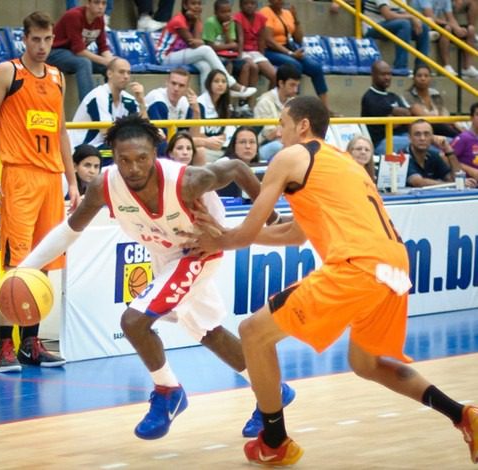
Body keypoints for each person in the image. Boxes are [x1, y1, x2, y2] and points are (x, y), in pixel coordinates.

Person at [184, 95, 478, 466]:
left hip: (360, 264)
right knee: (366, 364)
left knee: (253, 332)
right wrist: (230, 233)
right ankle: (463, 415)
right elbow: (293, 234)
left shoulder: (290, 157)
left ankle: (274, 441)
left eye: (283, 122)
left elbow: (246, 234)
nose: (278, 130)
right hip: (396, 266)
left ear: (302, 125)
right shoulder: (340, 161)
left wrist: (221, 238)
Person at [17, 114, 295, 441]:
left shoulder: (186, 180)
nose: (133, 168)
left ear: (155, 154)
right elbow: (69, 230)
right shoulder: (104, 185)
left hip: (200, 249)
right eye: (124, 160)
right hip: (164, 255)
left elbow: (236, 168)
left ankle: (168, 391)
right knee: (209, 332)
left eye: (142, 159)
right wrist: (26, 267)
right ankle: (273, 391)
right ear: (113, 157)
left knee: (134, 321)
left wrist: (273, 217)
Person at [0, 11, 77, 373]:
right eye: (36, 39)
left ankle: (31, 342)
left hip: (51, 179)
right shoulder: (8, 72)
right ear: (24, 39)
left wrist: (73, 181)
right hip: (18, 176)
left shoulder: (57, 76)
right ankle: (5, 344)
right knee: (15, 263)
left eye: (48, 40)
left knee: (44, 262)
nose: (42, 46)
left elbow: (62, 132)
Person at [155, 0, 257, 98]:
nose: (197, 6)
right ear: (185, 6)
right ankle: (231, 83)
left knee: (205, 66)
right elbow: (194, 44)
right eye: (193, 3)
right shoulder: (178, 20)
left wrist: (196, 20)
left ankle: (205, 103)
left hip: (182, 55)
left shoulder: (193, 20)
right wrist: (201, 42)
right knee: (206, 50)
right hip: (165, 57)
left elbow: (197, 40)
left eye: (199, 3)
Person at [259, 0, 332, 112]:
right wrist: (290, 54)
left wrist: (296, 19)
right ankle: (294, 106)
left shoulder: (287, 13)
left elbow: (298, 39)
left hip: (288, 48)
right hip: (270, 50)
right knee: (294, 65)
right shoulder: (265, 12)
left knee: (315, 67)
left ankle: (326, 108)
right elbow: (269, 40)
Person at [70, 57, 147, 161]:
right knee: (121, 152)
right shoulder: (98, 96)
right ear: (109, 74)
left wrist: (141, 102)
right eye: (121, 72)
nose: (126, 76)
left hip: (106, 146)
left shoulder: (129, 99)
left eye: (128, 73)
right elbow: (106, 132)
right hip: (83, 148)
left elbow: (144, 129)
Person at [47, 0, 113, 103]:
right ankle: (89, 105)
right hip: (55, 53)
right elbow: (79, 50)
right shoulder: (74, 16)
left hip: (73, 55)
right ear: (88, 4)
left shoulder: (99, 19)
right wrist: (105, 61)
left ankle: (113, 102)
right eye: (97, 3)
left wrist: (112, 62)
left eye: (104, 3)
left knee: (111, 67)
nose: (100, 7)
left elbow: (103, 47)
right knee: (83, 62)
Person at [202, 0, 258, 109]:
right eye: (223, 12)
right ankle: (227, 102)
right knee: (229, 65)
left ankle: (242, 103)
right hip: (215, 57)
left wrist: (226, 31)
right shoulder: (210, 22)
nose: (227, 14)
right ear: (216, 12)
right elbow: (210, 47)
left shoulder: (230, 22)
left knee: (245, 65)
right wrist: (230, 46)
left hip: (228, 55)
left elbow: (233, 44)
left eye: (229, 11)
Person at [144, 67, 204, 163]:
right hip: (150, 144)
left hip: (172, 145)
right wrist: (205, 142)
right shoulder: (157, 98)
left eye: (181, 85)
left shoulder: (185, 103)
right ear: (166, 82)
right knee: (164, 146)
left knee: (200, 151)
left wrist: (196, 112)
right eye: (173, 83)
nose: (176, 88)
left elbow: (192, 137)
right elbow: (163, 138)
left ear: (187, 88)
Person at [411, 0, 478, 77]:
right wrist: (453, 26)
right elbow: (430, 16)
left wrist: (458, 28)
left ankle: (467, 67)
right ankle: (446, 65)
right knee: (447, 29)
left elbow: (450, 17)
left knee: (470, 30)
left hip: (436, 24)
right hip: (422, 25)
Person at [363, 0, 430, 74]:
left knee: (423, 27)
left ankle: (421, 69)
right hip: (373, 26)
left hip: (392, 26)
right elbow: (387, 15)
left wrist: (416, 20)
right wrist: (411, 17)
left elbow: (404, 13)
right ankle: (400, 66)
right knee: (404, 24)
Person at [405, 118, 477, 187]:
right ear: (409, 138)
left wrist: (449, 150)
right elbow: (418, 182)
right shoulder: (403, 156)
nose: (422, 138)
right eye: (417, 134)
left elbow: (453, 178)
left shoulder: (433, 155)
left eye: (426, 134)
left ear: (432, 137)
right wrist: (454, 184)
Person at [361, 60, 412, 154]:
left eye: (389, 74)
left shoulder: (393, 96)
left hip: (402, 137)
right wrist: (400, 118)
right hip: (381, 142)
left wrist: (396, 116)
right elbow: (394, 122)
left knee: (423, 141)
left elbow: (408, 114)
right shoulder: (370, 97)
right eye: (383, 74)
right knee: (420, 142)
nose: (387, 78)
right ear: (373, 75)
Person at [254, 63, 301, 162]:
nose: (295, 90)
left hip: (285, 143)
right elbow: (271, 134)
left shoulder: (294, 102)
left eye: (297, 86)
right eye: (292, 85)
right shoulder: (264, 102)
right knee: (279, 146)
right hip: (263, 147)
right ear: (281, 83)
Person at [405, 64, 463, 138]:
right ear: (413, 78)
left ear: (430, 78)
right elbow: (425, 117)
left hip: (441, 127)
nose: (423, 78)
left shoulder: (435, 93)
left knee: (460, 130)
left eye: (426, 76)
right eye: (419, 76)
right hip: (423, 129)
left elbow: (444, 114)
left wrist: (459, 128)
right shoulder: (408, 95)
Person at [195, 69, 236, 163]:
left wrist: (220, 140)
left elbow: (227, 133)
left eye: (223, 81)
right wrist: (209, 141)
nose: (220, 84)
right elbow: (197, 134)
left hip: (221, 147)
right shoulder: (200, 103)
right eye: (216, 81)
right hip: (204, 147)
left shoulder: (227, 105)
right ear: (209, 83)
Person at [216, 126, 261, 198]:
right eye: (242, 142)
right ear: (234, 146)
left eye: (252, 142)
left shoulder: (262, 167)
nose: (248, 146)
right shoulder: (223, 163)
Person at [451, 101, 478, 179]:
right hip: (469, 185)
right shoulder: (463, 138)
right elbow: (445, 158)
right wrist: (470, 170)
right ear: (472, 118)